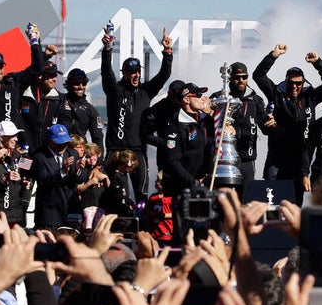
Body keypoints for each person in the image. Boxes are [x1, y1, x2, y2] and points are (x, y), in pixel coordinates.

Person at [253, 44, 322, 206]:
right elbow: (258, 76)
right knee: (271, 201)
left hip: (300, 157)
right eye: (291, 83)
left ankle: (292, 229)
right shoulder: (276, 93)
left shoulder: (310, 96)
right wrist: (273, 55)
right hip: (277, 156)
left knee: (294, 202)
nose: (294, 87)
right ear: (286, 82)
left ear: (303, 82)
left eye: (298, 83)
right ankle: (271, 230)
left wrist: (317, 63)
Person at [101, 25, 173, 204]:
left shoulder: (145, 91)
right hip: (115, 152)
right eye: (132, 72)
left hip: (138, 150)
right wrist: (107, 49)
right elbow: (106, 71)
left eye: (138, 72)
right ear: (124, 73)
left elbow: (164, 75)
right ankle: (115, 228)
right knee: (117, 198)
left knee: (142, 196)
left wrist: (167, 51)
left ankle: (141, 227)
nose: (137, 75)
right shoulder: (114, 90)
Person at [216, 62, 271, 182]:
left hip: (247, 159)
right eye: (237, 77)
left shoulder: (256, 100)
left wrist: (271, 122)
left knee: (247, 198)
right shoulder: (219, 98)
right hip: (224, 159)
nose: (241, 80)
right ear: (230, 78)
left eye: (244, 77)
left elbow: (265, 129)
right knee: (225, 198)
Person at [160, 83, 215, 198]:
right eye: (198, 95)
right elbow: (173, 162)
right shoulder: (175, 127)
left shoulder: (208, 121)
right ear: (186, 100)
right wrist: (194, 182)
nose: (202, 98)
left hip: (206, 185)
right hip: (183, 189)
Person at [30, 124, 87, 229]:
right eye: (59, 143)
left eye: (65, 143)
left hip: (71, 212)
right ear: (50, 141)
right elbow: (43, 181)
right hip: (50, 215)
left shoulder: (72, 153)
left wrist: (79, 170)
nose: (63, 146)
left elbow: (81, 179)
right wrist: (62, 170)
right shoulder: (40, 157)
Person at [59, 67, 104, 150]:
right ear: (68, 84)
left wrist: (99, 160)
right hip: (60, 150)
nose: (81, 87)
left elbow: (98, 138)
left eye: (84, 83)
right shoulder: (59, 100)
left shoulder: (90, 109)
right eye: (76, 83)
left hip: (80, 151)